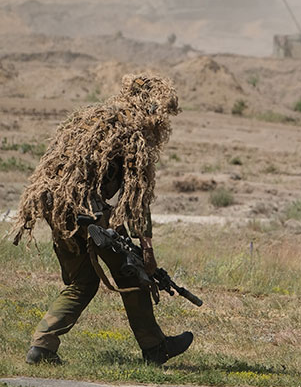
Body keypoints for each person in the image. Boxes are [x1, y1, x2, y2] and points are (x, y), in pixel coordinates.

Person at [13, 74, 193, 366]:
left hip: (55, 206)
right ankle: (155, 347)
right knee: (131, 272)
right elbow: (137, 198)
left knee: (83, 281)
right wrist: (146, 247)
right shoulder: (134, 134)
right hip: (88, 212)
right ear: (151, 108)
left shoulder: (88, 118)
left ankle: (42, 346)